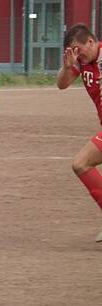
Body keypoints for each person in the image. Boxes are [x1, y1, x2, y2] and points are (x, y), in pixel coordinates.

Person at [56, 23, 102, 243]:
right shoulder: (82, 63)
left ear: (91, 42)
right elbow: (62, 85)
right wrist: (67, 67)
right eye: (71, 51)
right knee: (82, 165)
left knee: (81, 163)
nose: (76, 55)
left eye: (78, 49)